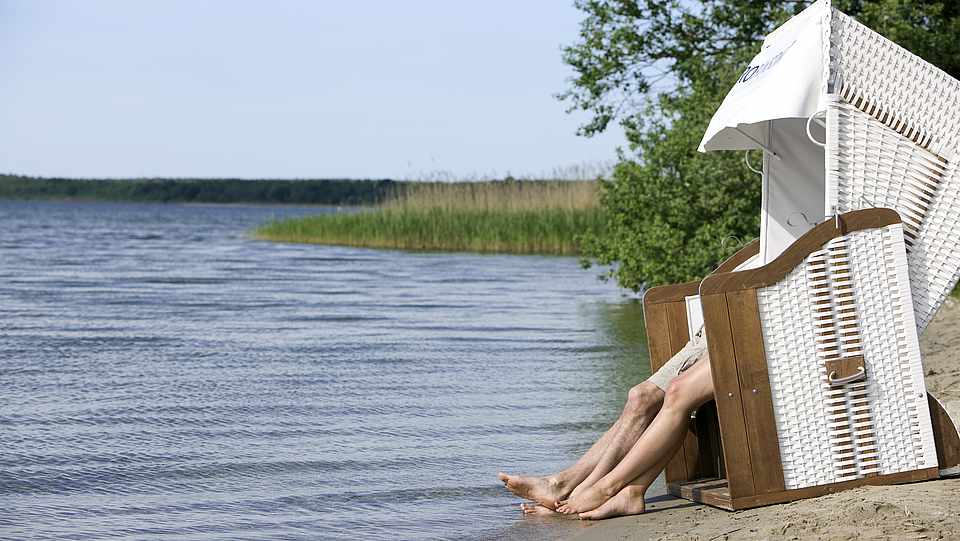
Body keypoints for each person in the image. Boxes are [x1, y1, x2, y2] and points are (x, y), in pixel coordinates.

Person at [498, 330, 716, 520]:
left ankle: (598, 489)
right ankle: (564, 484)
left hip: (731, 324)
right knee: (639, 397)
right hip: (710, 327)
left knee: (677, 393)